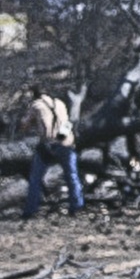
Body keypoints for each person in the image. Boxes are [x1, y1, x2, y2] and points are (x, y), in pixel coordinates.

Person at [21, 88, 83, 218]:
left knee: (35, 178)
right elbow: (67, 123)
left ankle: (30, 210)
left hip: (48, 145)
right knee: (72, 176)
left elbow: (24, 125)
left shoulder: (36, 105)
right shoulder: (60, 102)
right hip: (66, 142)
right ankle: (77, 207)